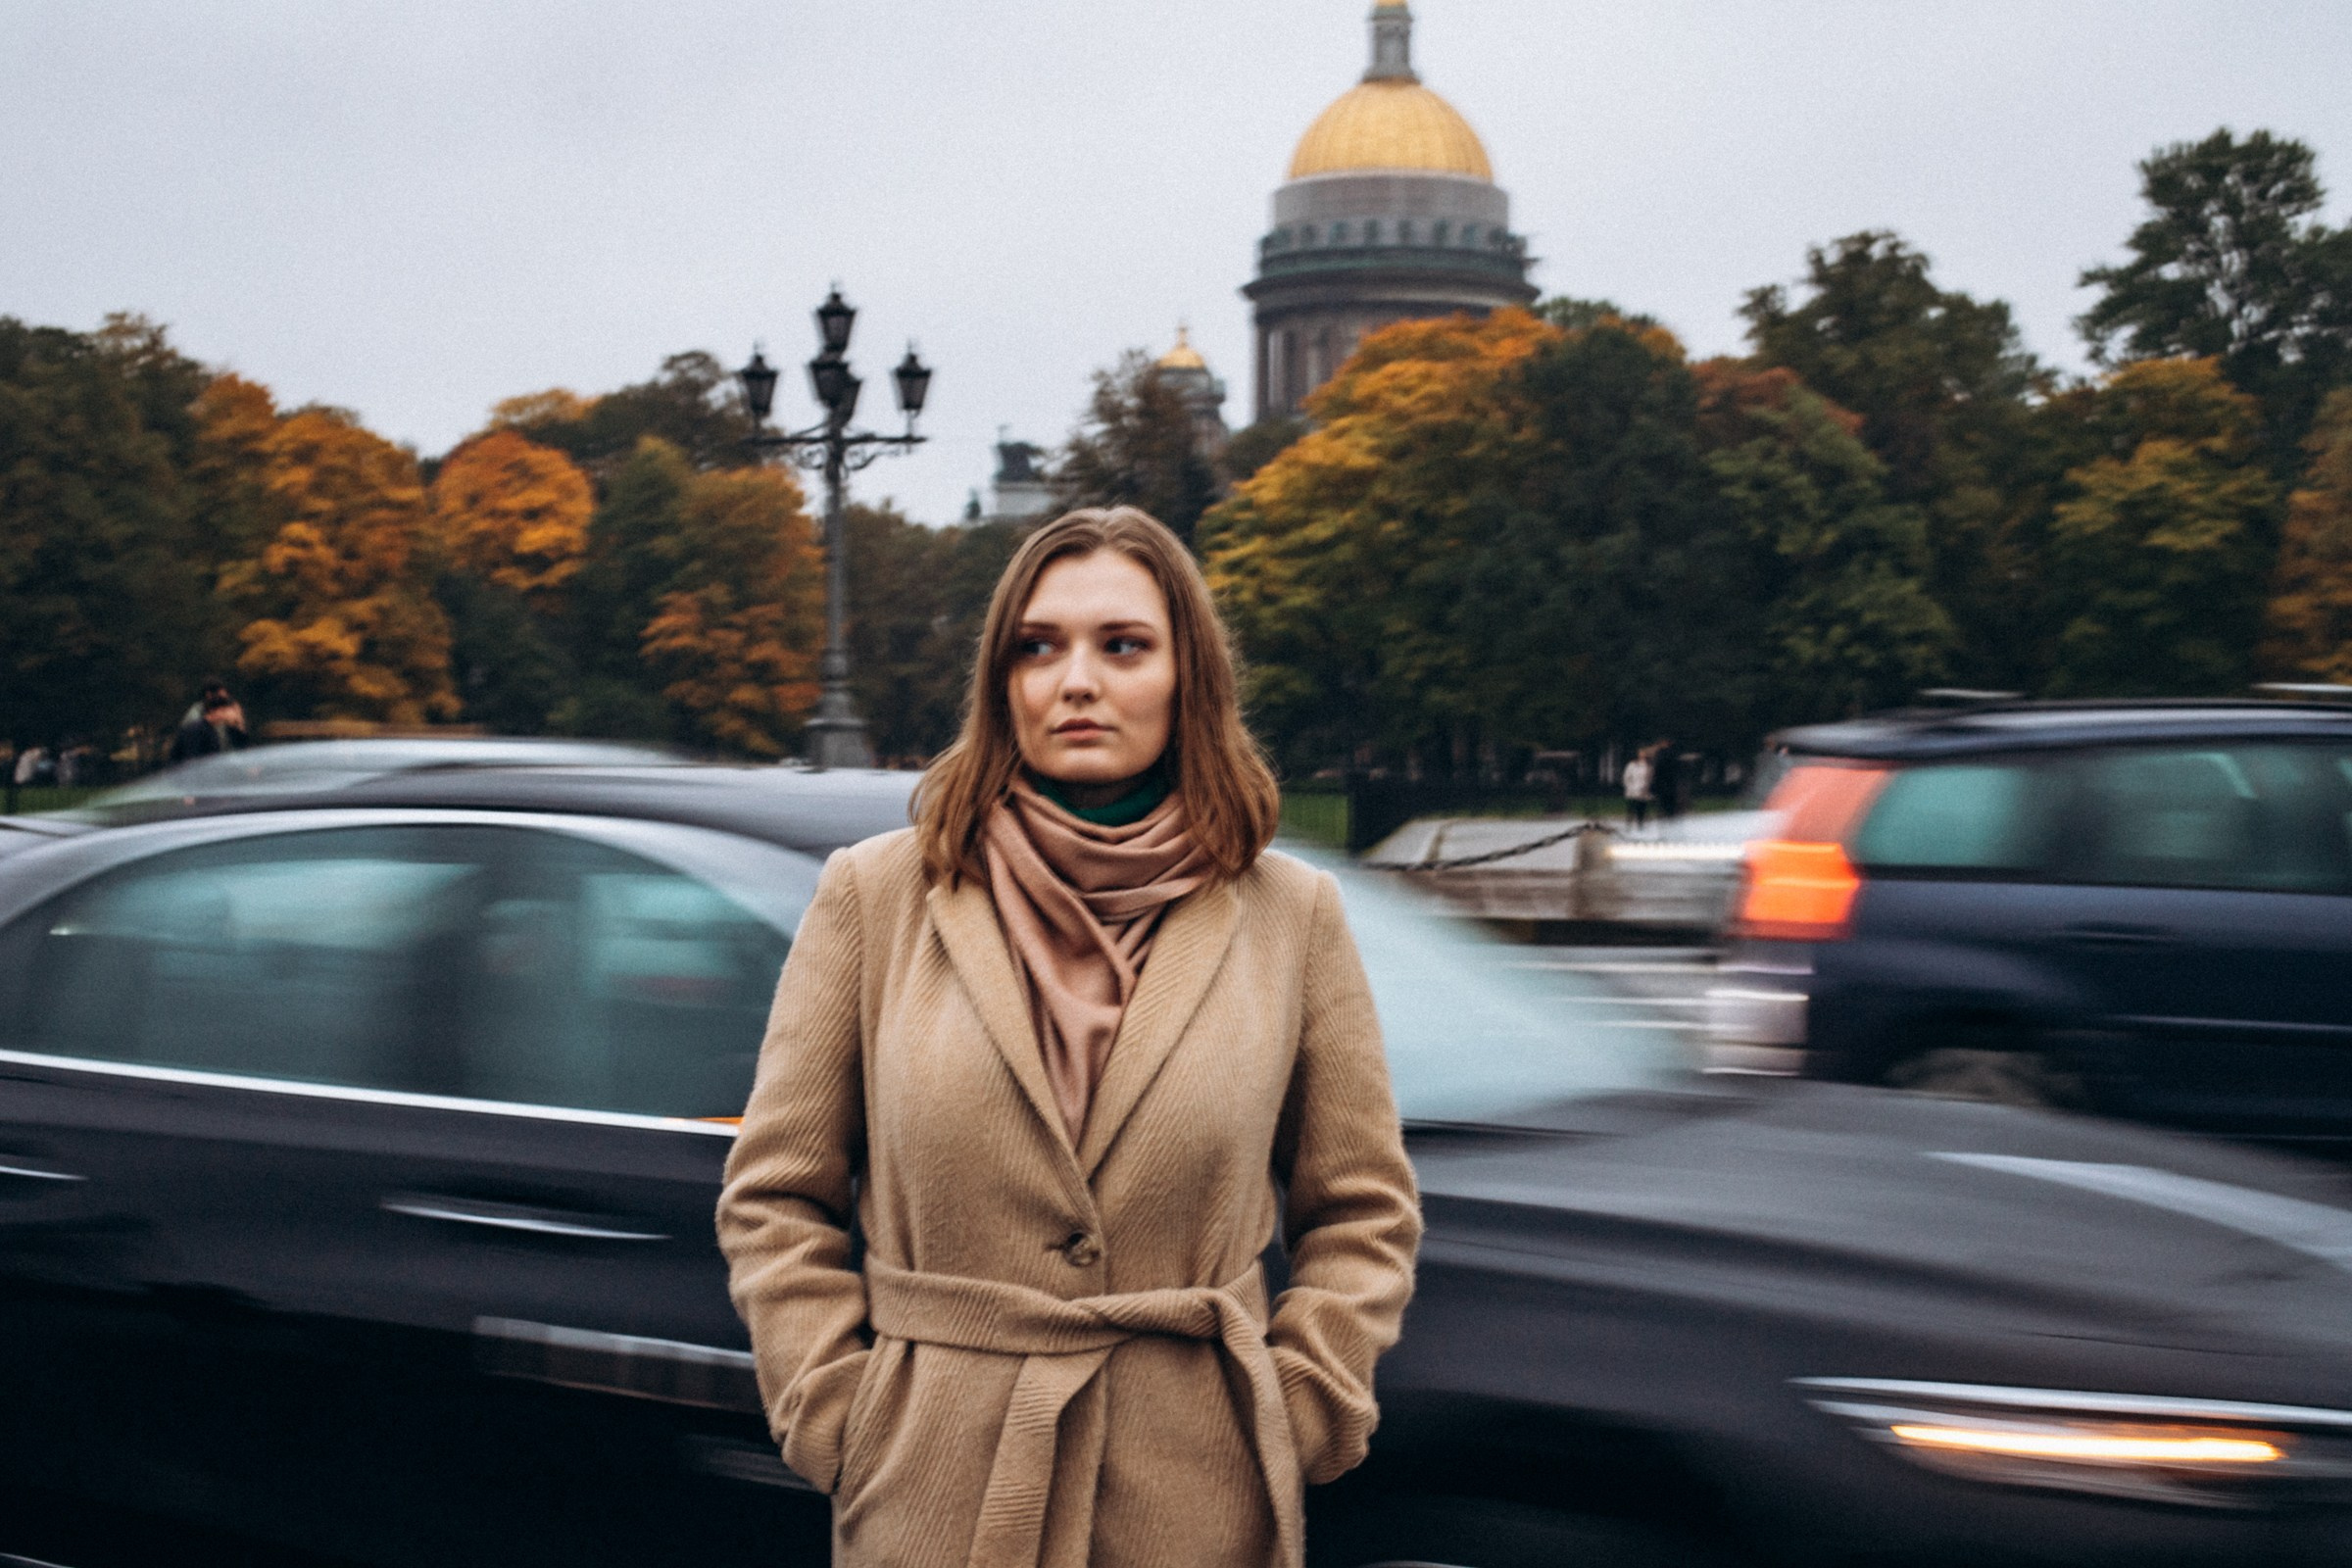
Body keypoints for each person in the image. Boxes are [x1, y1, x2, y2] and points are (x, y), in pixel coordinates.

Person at [717, 507, 1422, 1568]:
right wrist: (839, 1416)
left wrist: (1302, 1406)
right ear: (1001, 680)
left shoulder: (1290, 915)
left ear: (1191, 674)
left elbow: (1364, 1208)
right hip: (934, 1497)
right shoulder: (878, 897)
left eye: (1122, 645)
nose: (1074, 680)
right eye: (1036, 647)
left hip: (1195, 1504)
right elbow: (775, 1195)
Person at [169, 684, 248, 762]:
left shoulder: (212, 730)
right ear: (220, 710)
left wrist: (239, 726)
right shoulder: (195, 729)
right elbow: (191, 761)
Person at [1621, 745, 1654, 830]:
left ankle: (1640, 826)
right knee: (1631, 809)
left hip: (1644, 792)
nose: (1642, 755)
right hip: (1632, 791)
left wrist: (1647, 788)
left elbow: (1650, 779)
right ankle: (1628, 826)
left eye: (1644, 753)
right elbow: (1626, 777)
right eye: (1641, 753)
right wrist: (1629, 787)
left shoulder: (1649, 767)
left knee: (1641, 810)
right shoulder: (1632, 765)